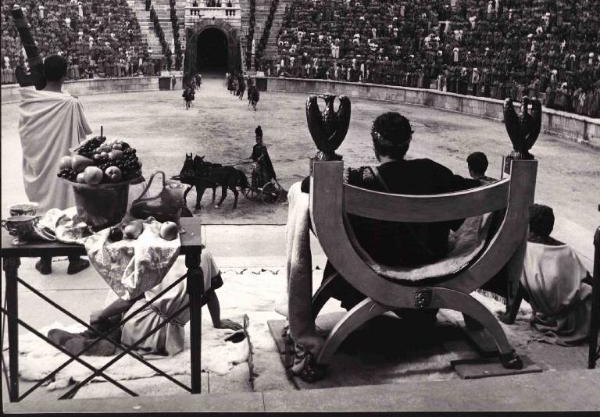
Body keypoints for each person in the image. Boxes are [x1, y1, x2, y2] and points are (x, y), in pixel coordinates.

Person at [288, 112, 479, 380]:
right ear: (408, 143)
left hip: (370, 275)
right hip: (429, 269)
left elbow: (309, 185)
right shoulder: (435, 172)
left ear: (375, 145)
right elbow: (475, 194)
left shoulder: (360, 178)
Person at [48, 249, 242, 356]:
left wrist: (102, 314)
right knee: (139, 303)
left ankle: (102, 340)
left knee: (126, 293)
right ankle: (94, 338)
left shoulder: (162, 261)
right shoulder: (206, 256)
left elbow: (131, 299)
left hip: (142, 331)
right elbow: (211, 294)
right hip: (171, 338)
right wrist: (218, 322)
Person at [18, 55, 91, 275]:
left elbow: (26, 136)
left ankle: (45, 260)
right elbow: (83, 135)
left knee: (44, 206)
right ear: (65, 74)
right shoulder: (70, 103)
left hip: (41, 163)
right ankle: (73, 259)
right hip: (64, 164)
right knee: (68, 205)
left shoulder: (29, 102)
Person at [515, 204, 593, 345]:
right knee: (588, 288)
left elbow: (520, 286)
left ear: (532, 232)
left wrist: (510, 316)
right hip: (577, 314)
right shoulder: (565, 250)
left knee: (520, 276)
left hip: (549, 310)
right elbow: (586, 277)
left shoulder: (526, 252)